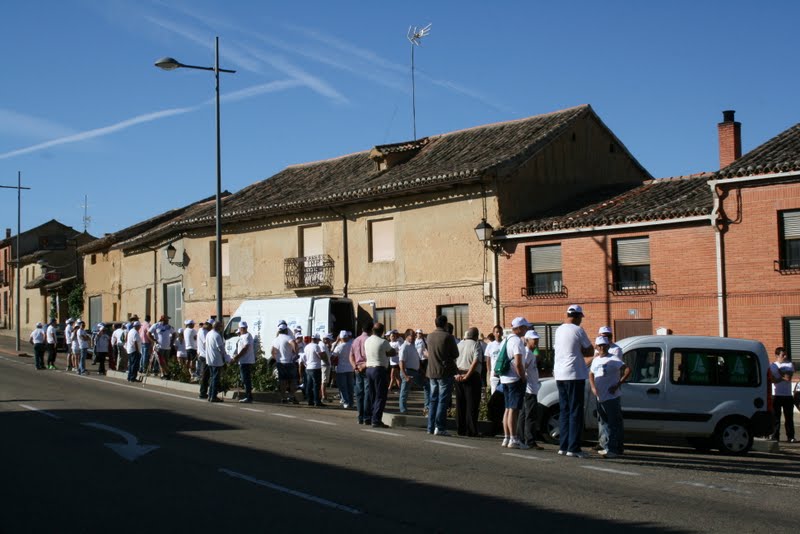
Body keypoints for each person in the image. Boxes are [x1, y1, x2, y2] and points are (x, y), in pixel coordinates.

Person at [554, 304, 594, 458]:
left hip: (560, 374)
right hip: (574, 374)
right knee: (575, 411)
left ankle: (563, 446)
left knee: (564, 411)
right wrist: (580, 350)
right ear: (577, 317)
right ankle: (574, 447)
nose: (581, 320)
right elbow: (590, 350)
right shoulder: (578, 330)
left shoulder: (559, 330)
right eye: (580, 318)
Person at [589, 336, 630, 458]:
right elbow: (591, 373)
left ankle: (614, 449)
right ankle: (607, 447)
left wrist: (617, 385)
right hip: (600, 397)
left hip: (611, 397)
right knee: (604, 423)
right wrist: (593, 387)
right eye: (599, 345)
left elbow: (627, 369)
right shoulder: (596, 360)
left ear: (607, 346)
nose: (602, 348)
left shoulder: (613, 359)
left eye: (604, 345)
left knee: (614, 423)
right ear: (596, 347)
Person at [426, 315, 459, 436]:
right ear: (445, 324)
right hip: (444, 372)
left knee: (433, 399)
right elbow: (455, 354)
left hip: (431, 371)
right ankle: (439, 427)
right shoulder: (448, 336)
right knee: (442, 400)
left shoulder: (429, 336)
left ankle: (430, 427)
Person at [500, 317, 529, 448]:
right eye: (525, 327)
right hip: (514, 379)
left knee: (507, 408)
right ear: (519, 328)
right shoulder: (517, 341)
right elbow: (518, 363)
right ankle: (514, 439)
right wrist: (522, 377)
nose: (526, 329)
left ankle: (506, 438)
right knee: (514, 409)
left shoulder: (505, 340)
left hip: (504, 378)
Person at [517, 329, 544, 450]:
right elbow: (523, 367)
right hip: (529, 388)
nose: (536, 342)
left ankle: (521, 438)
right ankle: (530, 440)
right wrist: (524, 379)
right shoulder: (528, 353)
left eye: (537, 339)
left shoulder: (529, 352)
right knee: (530, 415)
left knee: (524, 414)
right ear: (527, 340)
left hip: (530, 388)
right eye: (534, 340)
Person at [365, 322, 395, 428]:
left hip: (369, 369)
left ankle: (370, 417)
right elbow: (392, 352)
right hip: (379, 369)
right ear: (382, 331)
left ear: (372, 330)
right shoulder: (383, 341)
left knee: (372, 394)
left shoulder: (367, 340)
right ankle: (376, 420)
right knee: (381, 395)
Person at [455, 327, 483, 437]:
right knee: (472, 404)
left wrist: (457, 374)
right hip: (472, 375)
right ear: (476, 336)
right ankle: (471, 430)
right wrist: (467, 375)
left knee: (460, 403)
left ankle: (460, 429)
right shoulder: (476, 345)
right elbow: (475, 361)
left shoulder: (459, 344)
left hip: (459, 374)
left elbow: (453, 360)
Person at [770, 347, 796, 443]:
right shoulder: (772, 365)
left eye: (785, 354)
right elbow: (773, 380)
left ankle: (791, 436)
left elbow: (788, 378)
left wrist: (779, 374)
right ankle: (775, 436)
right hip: (776, 395)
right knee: (776, 418)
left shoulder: (789, 364)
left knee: (789, 418)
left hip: (787, 395)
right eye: (782, 355)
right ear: (777, 355)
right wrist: (781, 376)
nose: (785, 356)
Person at [272, 320, 299, 404]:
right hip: (289, 362)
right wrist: (296, 353)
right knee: (292, 380)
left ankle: (283, 397)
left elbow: (273, 351)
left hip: (280, 363)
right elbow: (294, 344)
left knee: (282, 381)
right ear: (286, 330)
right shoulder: (288, 337)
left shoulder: (276, 340)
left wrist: (277, 359)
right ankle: (291, 396)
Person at [351, 321, 373, 425]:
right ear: (371, 330)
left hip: (357, 368)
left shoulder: (355, 340)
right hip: (366, 367)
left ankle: (360, 417)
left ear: (362, 329)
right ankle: (366, 417)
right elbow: (371, 356)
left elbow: (351, 355)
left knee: (359, 393)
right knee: (367, 393)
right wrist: (363, 365)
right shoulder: (369, 340)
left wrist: (354, 366)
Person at [231, 321, 255, 403]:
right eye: (241, 328)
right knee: (244, 379)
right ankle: (248, 396)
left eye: (244, 327)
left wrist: (237, 357)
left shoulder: (247, 336)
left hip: (246, 361)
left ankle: (248, 397)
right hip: (242, 361)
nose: (243, 329)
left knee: (246, 379)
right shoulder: (242, 336)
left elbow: (245, 348)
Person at [398, 329, 420, 415]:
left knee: (426, 385)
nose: (414, 337)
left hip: (415, 371)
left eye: (414, 335)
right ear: (407, 336)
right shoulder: (404, 347)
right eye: (412, 335)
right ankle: (403, 410)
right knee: (404, 391)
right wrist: (405, 375)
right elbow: (401, 362)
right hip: (407, 371)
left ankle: (427, 407)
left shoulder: (412, 345)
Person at [300, 333, 325, 407]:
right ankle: (317, 401)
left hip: (308, 367)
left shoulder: (307, 346)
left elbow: (304, 357)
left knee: (309, 385)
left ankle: (309, 400)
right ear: (317, 339)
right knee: (316, 385)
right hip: (316, 367)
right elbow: (320, 355)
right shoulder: (316, 346)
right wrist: (323, 356)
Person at [205, 320, 226, 403]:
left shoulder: (209, 334)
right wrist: (225, 357)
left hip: (209, 359)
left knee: (212, 377)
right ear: (218, 327)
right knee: (215, 378)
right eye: (221, 326)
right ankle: (213, 396)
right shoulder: (217, 335)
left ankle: (210, 395)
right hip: (216, 359)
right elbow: (221, 348)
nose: (222, 328)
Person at [149, 315, 175, 380]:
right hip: (159, 347)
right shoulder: (156, 325)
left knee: (165, 361)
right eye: (167, 320)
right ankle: (163, 374)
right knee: (161, 361)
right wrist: (154, 340)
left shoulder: (168, 327)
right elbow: (148, 333)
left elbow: (174, 333)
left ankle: (166, 374)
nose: (168, 321)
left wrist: (172, 342)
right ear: (163, 320)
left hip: (167, 347)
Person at [333, 331, 354, 409]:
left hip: (341, 369)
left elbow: (333, 356)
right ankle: (351, 402)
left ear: (340, 338)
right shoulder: (352, 345)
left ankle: (346, 402)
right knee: (350, 387)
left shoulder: (339, 347)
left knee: (343, 387)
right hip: (350, 368)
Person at [414, 328, 431, 414]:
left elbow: (428, 347)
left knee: (425, 372)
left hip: (424, 358)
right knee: (419, 371)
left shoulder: (424, 340)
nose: (419, 334)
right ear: (416, 334)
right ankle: (422, 382)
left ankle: (426, 380)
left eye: (420, 333)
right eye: (418, 333)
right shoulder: (415, 341)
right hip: (418, 359)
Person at [484, 325, 504, 394]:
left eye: (500, 332)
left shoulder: (504, 343)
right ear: (493, 333)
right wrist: (489, 371)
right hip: (494, 373)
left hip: (503, 373)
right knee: (494, 392)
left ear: (502, 333)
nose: (498, 334)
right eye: (497, 332)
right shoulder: (490, 345)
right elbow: (488, 359)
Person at [197, 320, 213, 399]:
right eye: (211, 326)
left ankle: (204, 392)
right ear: (208, 325)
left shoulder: (203, 331)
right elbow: (205, 343)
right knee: (205, 375)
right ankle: (202, 393)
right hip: (204, 356)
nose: (211, 328)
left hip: (204, 355)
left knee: (206, 375)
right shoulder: (203, 331)